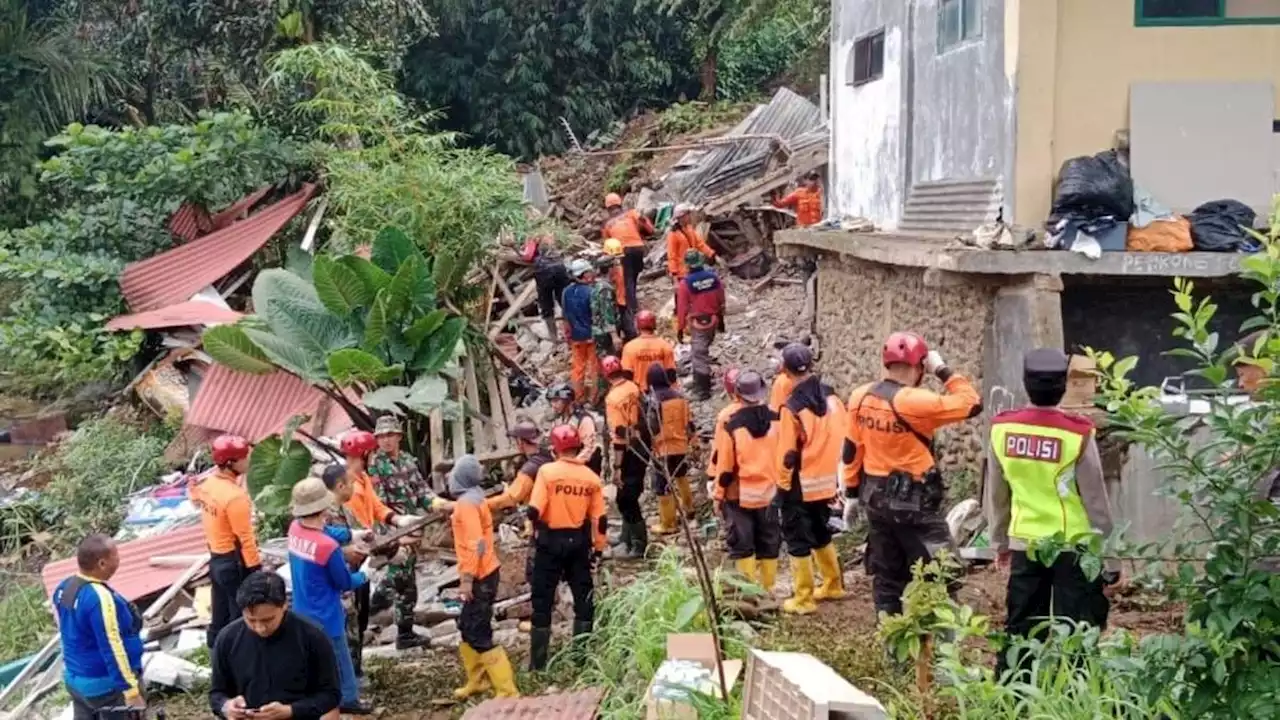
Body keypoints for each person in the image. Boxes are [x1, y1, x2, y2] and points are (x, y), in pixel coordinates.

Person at [986, 349, 1117, 672]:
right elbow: (1095, 501)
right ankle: (1075, 698)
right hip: (1072, 547)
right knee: (1078, 631)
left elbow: (998, 495)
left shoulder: (1002, 429)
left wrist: (999, 543)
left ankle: (1011, 698)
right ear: (1063, 387)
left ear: (1026, 384)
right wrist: (1110, 557)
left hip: (1025, 545)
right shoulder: (1077, 433)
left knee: (1021, 629)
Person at [840, 332, 982, 616]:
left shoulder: (860, 396)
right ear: (919, 366)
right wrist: (941, 369)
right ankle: (939, 644)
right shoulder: (917, 402)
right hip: (914, 503)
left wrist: (852, 494)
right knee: (943, 574)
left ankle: (892, 642)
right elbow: (971, 403)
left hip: (875, 499)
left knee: (887, 578)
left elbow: (851, 450)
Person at [287, 478, 373, 714]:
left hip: (303, 608)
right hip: (326, 612)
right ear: (324, 507)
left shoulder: (295, 529)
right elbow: (344, 583)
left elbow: (324, 530)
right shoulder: (328, 547)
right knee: (340, 659)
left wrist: (352, 534)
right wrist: (367, 573)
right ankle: (348, 698)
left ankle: (314, 693)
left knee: (311, 658)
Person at [774, 343, 848, 615]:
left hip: (800, 483)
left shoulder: (791, 407)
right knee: (820, 531)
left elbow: (787, 453)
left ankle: (803, 597)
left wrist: (781, 487)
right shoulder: (833, 398)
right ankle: (833, 583)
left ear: (785, 370)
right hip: (828, 481)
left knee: (796, 538)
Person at [526, 425, 608, 671]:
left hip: (549, 542)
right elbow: (600, 520)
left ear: (555, 448)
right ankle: (580, 659)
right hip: (579, 543)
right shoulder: (591, 479)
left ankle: (538, 663)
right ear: (578, 447)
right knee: (583, 598)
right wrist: (599, 549)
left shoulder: (547, 473)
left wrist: (532, 529)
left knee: (542, 599)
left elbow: (534, 510)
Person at [210, 571, 342, 720]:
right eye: (251, 620)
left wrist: (291, 711)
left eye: (268, 620)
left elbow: (331, 694)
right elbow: (216, 694)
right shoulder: (227, 639)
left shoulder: (312, 637)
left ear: (284, 605)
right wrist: (226, 706)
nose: (260, 628)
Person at [339, 430, 428, 650]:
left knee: (361, 609)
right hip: (356, 553)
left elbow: (376, 507)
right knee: (354, 614)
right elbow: (360, 531)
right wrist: (394, 546)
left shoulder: (363, 478)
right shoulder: (350, 489)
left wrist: (397, 519)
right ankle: (354, 666)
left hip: (366, 547)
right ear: (366, 454)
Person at [448, 455, 520, 700]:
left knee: (478, 631)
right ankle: (478, 680)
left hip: (479, 575)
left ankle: (507, 690)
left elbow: (475, 543)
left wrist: (467, 579)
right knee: (467, 626)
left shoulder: (467, 504)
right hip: (486, 571)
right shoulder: (475, 497)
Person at [54, 534, 145, 719]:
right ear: (102, 563)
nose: (119, 559)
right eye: (116, 556)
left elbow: (70, 632)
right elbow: (112, 646)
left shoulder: (65, 586)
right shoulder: (99, 598)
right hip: (106, 686)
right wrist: (131, 691)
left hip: (77, 680)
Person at [712, 370, 782, 593]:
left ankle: (750, 593)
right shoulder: (777, 419)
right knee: (769, 542)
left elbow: (725, 466)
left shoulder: (732, 425)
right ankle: (768, 589)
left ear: (737, 395)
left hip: (739, 494)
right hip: (770, 493)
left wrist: (718, 494)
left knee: (743, 545)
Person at [190, 434, 261, 648]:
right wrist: (255, 569)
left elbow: (193, 495)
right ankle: (237, 665)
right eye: (244, 457)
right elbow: (244, 537)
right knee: (240, 620)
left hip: (216, 559)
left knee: (219, 616)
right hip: (235, 562)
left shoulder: (208, 485)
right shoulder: (235, 496)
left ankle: (216, 659)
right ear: (231, 463)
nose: (249, 461)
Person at [319, 464, 380, 691]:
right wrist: (346, 552)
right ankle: (348, 680)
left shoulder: (345, 509)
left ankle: (355, 671)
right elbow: (324, 543)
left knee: (358, 621)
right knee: (348, 627)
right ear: (340, 485)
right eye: (351, 483)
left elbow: (356, 535)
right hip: (339, 576)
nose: (354, 487)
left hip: (355, 571)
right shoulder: (324, 514)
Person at [642, 364, 697, 535]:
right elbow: (689, 424)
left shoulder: (653, 400)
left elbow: (652, 426)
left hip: (662, 448)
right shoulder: (679, 397)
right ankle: (689, 508)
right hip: (680, 446)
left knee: (663, 486)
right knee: (681, 476)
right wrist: (693, 443)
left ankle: (668, 523)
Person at [602, 355, 647, 559]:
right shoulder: (633, 387)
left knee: (626, 499)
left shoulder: (613, 399)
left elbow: (619, 435)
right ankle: (626, 537)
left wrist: (617, 467)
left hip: (629, 451)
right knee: (630, 495)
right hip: (643, 446)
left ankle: (638, 544)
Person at [675, 249, 726, 401]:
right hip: (713, 319)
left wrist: (680, 327)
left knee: (699, 355)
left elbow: (682, 307)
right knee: (703, 350)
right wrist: (721, 318)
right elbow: (721, 298)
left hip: (698, 323)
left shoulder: (686, 284)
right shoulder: (713, 278)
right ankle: (700, 380)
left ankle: (703, 390)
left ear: (687, 265)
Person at [601, 192, 655, 334]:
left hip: (621, 252)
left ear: (607, 209)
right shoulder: (631, 214)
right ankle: (633, 301)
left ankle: (632, 308)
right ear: (620, 204)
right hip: (638, 248)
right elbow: (649, 228)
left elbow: (608, 246)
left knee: (627, 280)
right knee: (633, 276)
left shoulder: (608, 225)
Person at [488, 421, 552, 512]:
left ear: (520, 441)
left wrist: (485, 504)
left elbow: (511, 498)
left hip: (540, 514)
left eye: (515, 440)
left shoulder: (531, 468)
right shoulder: (547, 456)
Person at [562, 258, 600, 404]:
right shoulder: (591, 292)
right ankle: (593, 398)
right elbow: (595, 315)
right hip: (591, 335)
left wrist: (568, 335)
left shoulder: (566, 292)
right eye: (589, 272)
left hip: (576, 337)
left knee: (578, 368)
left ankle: (579, 398)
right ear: (584, 274)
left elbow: (565, 316)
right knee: (594, 368)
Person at [546, 382, 604, 475]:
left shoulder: (584, 420)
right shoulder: (558, 420)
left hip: (584, 466)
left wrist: (572, 466)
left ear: (567, 401)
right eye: (552, 401)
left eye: (556, 401)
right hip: (564, 464)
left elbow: (589, 448)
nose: (553, 405)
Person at [528, 236, 572, 343]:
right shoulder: (558, 255)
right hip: (559, 269)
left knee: (546, 305)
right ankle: (570, 332)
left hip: (543, 271)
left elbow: (527, 257)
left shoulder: (537, 254)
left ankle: (554, 337)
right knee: (565, 302)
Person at [621, 310, 676, 393]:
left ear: (638, 326)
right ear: (654, 325)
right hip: (661, 391)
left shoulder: (629, 347)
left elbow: (627, 374)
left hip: (640, 392)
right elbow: (671, 373)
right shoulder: (665, 345)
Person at [665, 204, 716, 288]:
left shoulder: (689, 229)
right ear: (681, 217)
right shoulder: (673, 235)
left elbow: (699, 244)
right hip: (682, 274)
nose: (690, 216)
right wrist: (675, 278)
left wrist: (711, 254)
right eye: (688, 214)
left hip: (694, 268)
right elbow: (672, 257)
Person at [591, 253, 623, 362]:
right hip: (605, 334)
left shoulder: (597, 285)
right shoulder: (605, 288)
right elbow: (607, 311)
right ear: (610, 269)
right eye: (615, 265)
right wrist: (614, 336)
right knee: (610, 362)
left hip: (600, 331)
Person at [602, 238, 634, 340]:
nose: (617, 261)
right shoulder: (602, 271)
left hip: (622, 304)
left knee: (631, 332)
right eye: (614, 259)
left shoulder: (621, 268)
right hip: (610, 307)